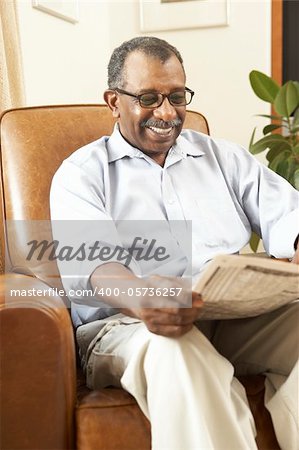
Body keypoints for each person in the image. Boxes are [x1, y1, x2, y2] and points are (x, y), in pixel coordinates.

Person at [50, 36, 299, 449]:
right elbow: (99, 271)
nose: (166, 112)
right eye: (148, 97)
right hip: (127, 327)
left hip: (231, 318)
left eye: (177, 97)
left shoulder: (224, 159)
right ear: (114, 101)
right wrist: (145, 298)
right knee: (178, 351)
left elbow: (288, 213)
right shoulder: (81, 174)